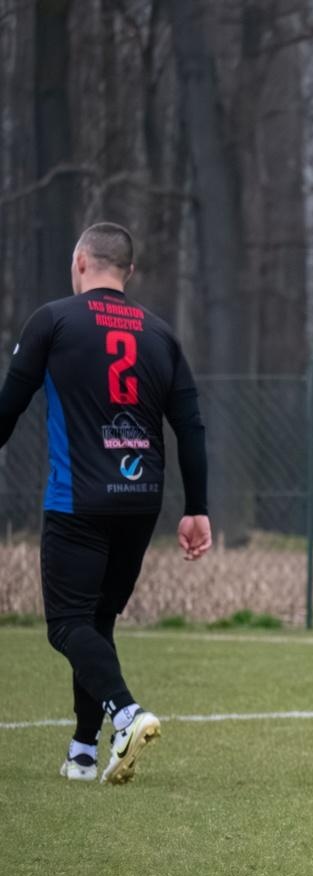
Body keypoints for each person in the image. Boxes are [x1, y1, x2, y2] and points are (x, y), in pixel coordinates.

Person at [0, 222, 211, 784]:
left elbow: (9, 407)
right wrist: (198, 507)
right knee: (97, 621)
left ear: (79, 262)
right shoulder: (160, 333)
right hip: (142, 502)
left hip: (78, 500)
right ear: (129, 272)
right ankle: (83, 751)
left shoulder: (53, 320)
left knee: (66, 624)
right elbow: (189, 425)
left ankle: (127, 712)